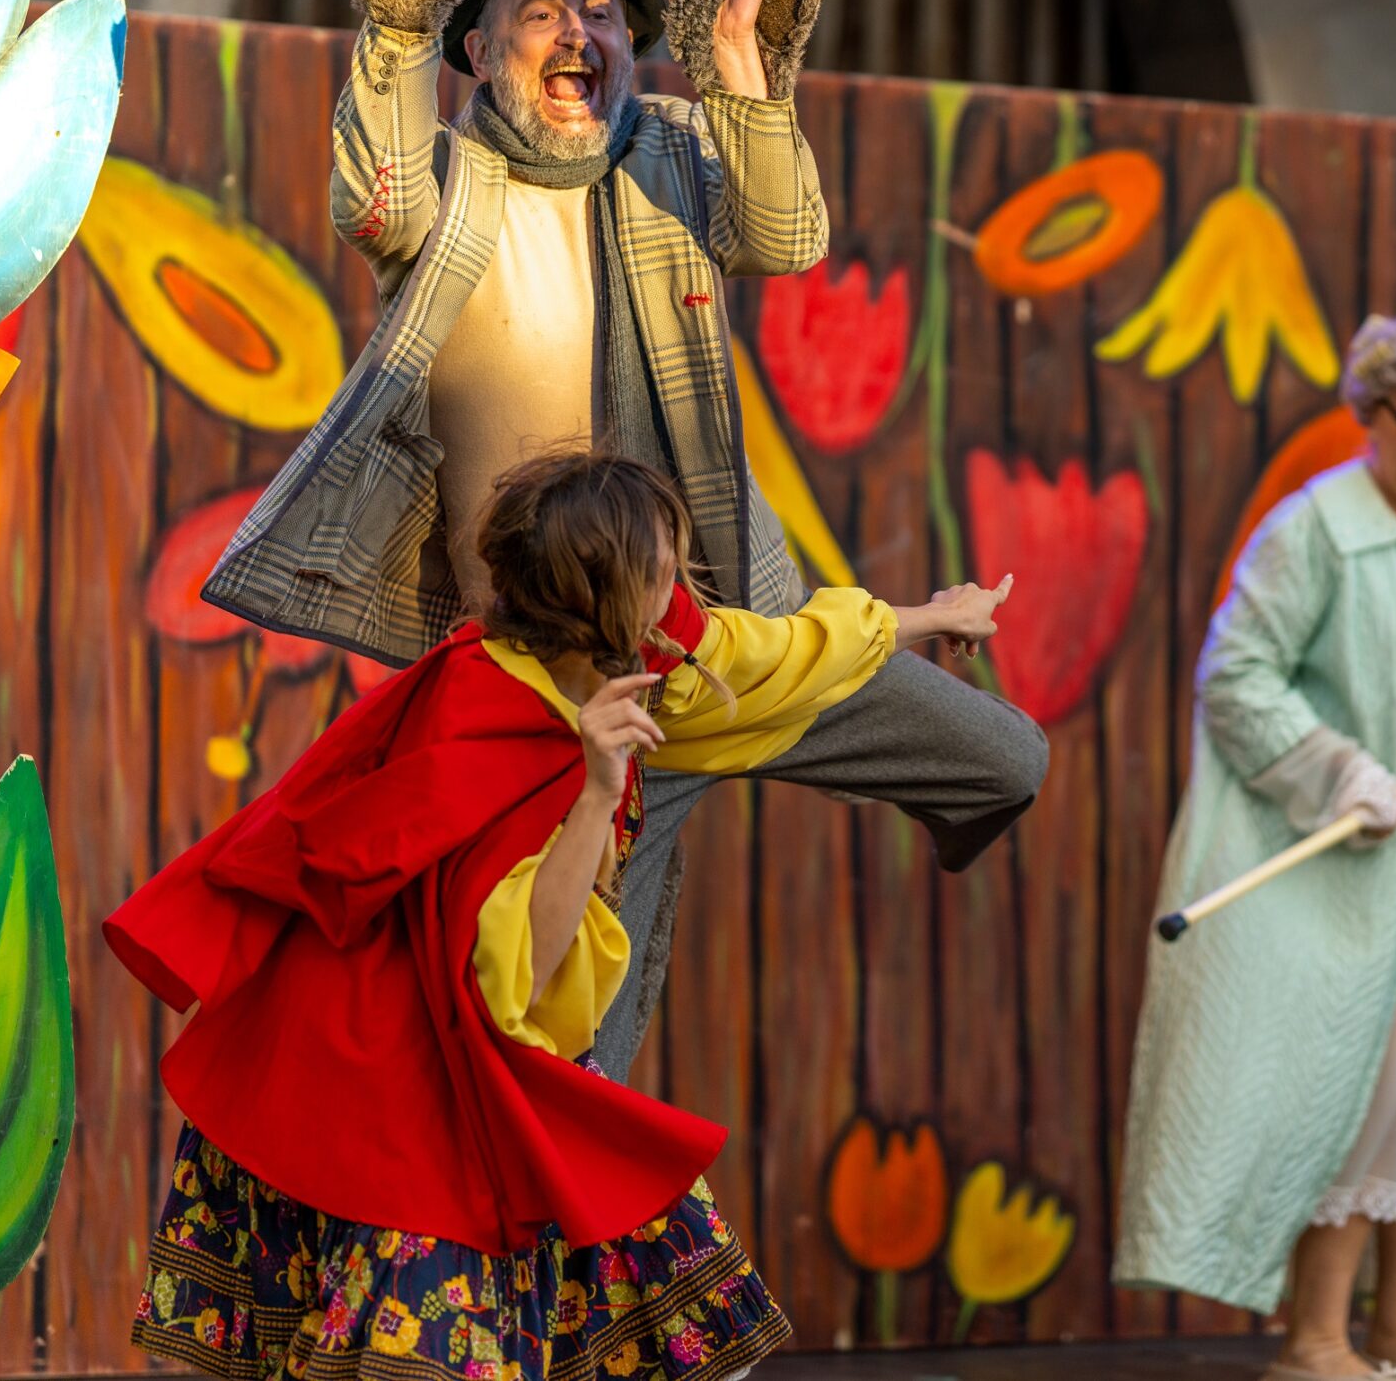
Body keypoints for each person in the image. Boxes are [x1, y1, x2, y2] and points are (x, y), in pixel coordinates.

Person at [200, 0, 1048, 1077]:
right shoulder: (447, 185)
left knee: (1005, 755)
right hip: (561, 689)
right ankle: (554, 1237)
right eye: (540, 12)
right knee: (576, 1034)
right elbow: (368, 194)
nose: (580, 36)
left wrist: (734, 65)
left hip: (725, 639)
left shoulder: (671, 162)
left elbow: (790, 237)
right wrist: (398, 16)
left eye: (601, 16)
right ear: (477, 51)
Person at [112, 451, 1015, 1379]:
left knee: (673, 1322)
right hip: (413, 1086)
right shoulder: (509, 738)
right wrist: (596, 794)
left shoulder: (584, 656)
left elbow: (768, 652)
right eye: (667, 562)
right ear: (621, 593)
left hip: (424, 1050)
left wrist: (928, 617)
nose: (682, 576)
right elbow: (524, 979)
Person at [1115, 303, 1396, 1381]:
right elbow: (1236, 671)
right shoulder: (1317, 524)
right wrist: (1335, 767)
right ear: (1371, 410)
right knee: (1353, 1083)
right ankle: (1314, 1337)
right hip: (1348, 867)